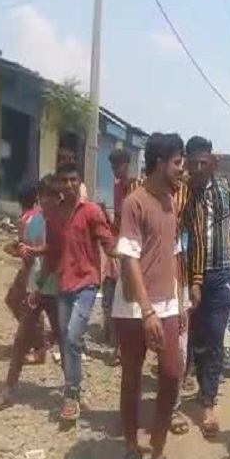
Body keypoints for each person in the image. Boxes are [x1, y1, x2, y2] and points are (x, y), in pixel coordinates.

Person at [113, 133, 186, 459]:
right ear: (159, 163)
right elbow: (128, 260)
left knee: (172, 375)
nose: (181, 169)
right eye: (177, 162)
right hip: (133, 307)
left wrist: (180, 301)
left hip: (167, 304)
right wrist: (146, 312)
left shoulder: (172, 202)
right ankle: (130, 448)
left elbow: (173, 254)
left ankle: (157, 451)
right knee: (132, 375)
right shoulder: (134, 202)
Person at [183, 135, 230, 438]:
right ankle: (202, 386)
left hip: (223, 273)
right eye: (193, 163)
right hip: (193, 274)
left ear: (212, 162)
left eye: (203, 162)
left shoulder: (225, 189)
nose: (198, 168)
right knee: (196, 337)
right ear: (187, 163)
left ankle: (208, 402)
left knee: (215, 336)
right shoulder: (182, 192)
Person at [0, 176, 61, 412]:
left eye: (54, 195)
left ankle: (74, 391)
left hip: (55, 289)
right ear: (40, 197)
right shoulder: (34, 222)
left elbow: (56, 254)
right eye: (45, 195)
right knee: (20, 340)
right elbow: (28, 255)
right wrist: (22, 254)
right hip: (35, 288)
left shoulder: (62, 222)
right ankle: (9, 389)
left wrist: (32, 254)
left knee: (65, 341)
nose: (49, 200)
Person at [54, 161, 116, 423]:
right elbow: (52, 249)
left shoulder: (91, 211)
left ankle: (71, 394)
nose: (68, 185)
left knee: (72, 336)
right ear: (58, 183)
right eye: (64, 180)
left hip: (87, 284)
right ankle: (74, 389)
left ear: (79, 181)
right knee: (67, 341)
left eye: (73, 180)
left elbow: (108, 242)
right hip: (62, 285)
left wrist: (126, 259)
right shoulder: (55, 214)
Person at [102, 149, 133, 366]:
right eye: (112, 168)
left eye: (117, 167)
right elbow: (118, 221)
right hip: (120, 245)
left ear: (127, 165)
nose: (115, 172)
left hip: (131, 247)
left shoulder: (134, 186)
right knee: (116, 294)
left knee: (126, 297)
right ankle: (117, 346)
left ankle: (122, 346)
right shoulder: (116, 187)